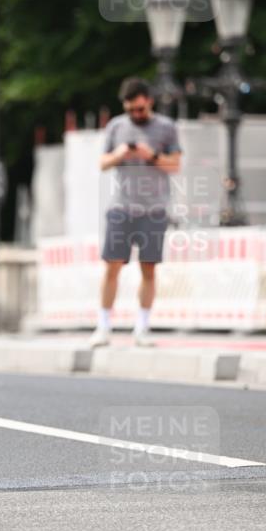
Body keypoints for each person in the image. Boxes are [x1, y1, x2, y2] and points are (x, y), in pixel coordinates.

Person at [89, 77, 182, 348]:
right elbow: (103, 163)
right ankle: (104, 326)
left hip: (154, 209)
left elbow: (175, 164)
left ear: (149, 102)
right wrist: (119, 154)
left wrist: (149, 155)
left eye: (140, 109)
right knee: (112, 267)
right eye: (131, 110)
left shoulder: (166, 127)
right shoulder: (116, 126)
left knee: (149, 269)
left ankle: (142, 327)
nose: (135, 115)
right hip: (121, 207)